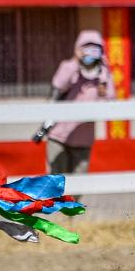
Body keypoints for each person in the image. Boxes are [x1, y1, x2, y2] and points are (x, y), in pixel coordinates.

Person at [33, 29, 115, 174]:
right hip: (59, 136)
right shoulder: (69, 67)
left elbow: (110, 101)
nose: (90, 53)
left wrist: (103, 75)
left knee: (79, 185)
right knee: (56, 183)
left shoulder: (103, 74)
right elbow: (58, 85)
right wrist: (75, 62)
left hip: (84, 139)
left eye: (95, 49)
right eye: (86, 48)